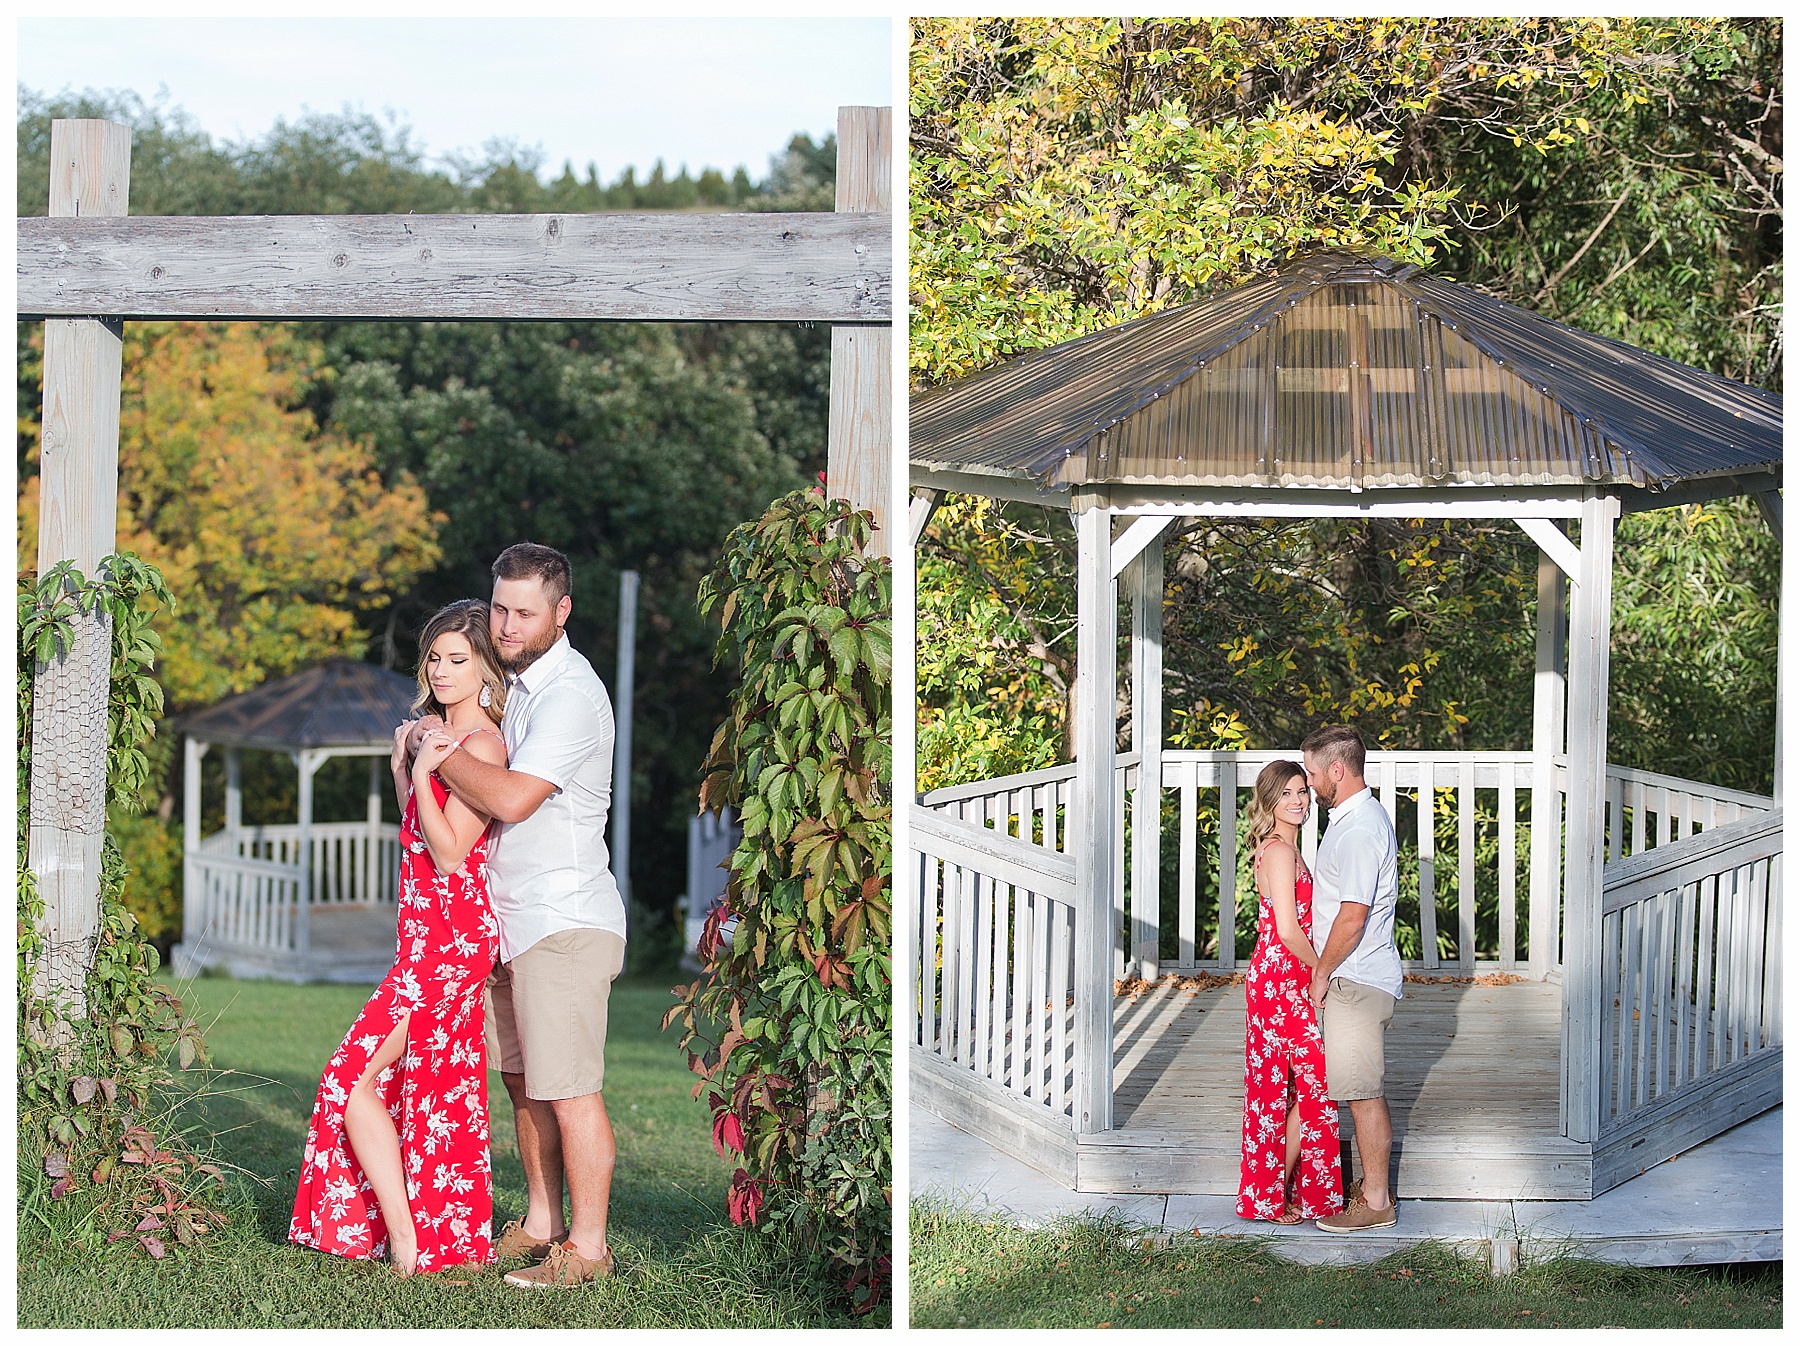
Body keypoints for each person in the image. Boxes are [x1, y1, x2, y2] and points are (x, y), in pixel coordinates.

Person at [409, 542, 626, 1288]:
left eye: (523, 612)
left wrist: (432, 748)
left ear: (561, 613)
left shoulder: (570, 693)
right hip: (508, 922)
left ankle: (588, 1250)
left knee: (569, 1088)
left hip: (563, 919)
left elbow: (508, 798)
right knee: (524, 1082)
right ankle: (542, 1224)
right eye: (499, 607)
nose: (504, 625)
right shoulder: (519, 685)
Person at [290, 600, 508, 1276]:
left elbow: (450, 855)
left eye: (456, 659)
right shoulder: (433, 734)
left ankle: (409, 1239)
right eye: (434, 658)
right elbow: (415, 832)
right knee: (421, 1088)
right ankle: (420, 1235)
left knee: (347, 1078)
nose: (441, 671)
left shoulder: (484, 746)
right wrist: (400, 764)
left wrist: (421, 770)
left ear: (485, 669)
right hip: (420, 939)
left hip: (452, 944)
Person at [1301, 724, 1403, 1232]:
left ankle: (1377, 1201)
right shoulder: (1348, 819)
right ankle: (1372, 1191)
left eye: (1313, 772)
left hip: (1356, 979)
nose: (1310, 781)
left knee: (1363, 1091)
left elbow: (1353, 916)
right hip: (1354, 975)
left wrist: (1320, 973)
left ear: (1337, 771)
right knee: (1359, 1087)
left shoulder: (1360, 828)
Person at [1236, 760, 1344, 1224]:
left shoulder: (1296, 849)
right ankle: (1269, 1193)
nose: (1298, 800)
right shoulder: (1278, 852)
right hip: (1279, 979)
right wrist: (1322, 968)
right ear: (1268, 801)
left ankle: (1282, 1189)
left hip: (1291, 976)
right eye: (1286, 794)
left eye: (1302, 791)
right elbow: (1285, 928)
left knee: (1309, 1084)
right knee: (1297, 1086)